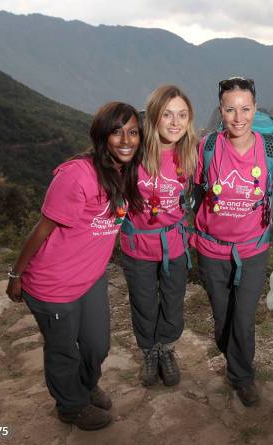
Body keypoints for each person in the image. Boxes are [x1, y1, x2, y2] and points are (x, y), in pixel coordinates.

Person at [5, 102, 144, 431]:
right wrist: (16, 275)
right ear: (101, 136)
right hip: (53, 285)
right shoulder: (77, 175)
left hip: (90, 279)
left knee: (98, 344)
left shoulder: (124, 171)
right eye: (117, 131)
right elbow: (42, 229)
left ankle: (84, 385)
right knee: (63, 350)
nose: (126, 139)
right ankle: (71, 406)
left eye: (133, 132)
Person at [193, 76, 273, 406]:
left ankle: (242, 376)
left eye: (245, 109)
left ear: (255, 108)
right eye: (230, 109)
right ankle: (233, 359)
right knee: (222, 320)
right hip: (212, 248)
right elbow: (184, 180)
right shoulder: (208, 147)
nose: (238, 117)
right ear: (221, 111)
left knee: (243, 318)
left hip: (253, 250)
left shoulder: (270, 149)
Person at [120, 85, 197, 387]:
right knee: (143, 302)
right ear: (153, 116)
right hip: (138, 244)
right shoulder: (134, 153)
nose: (175, 122)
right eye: (167, 114)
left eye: (182, 115)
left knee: (173, 299)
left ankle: (166, 348)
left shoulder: (189, 153)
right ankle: (149, 351)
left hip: (174, 243)